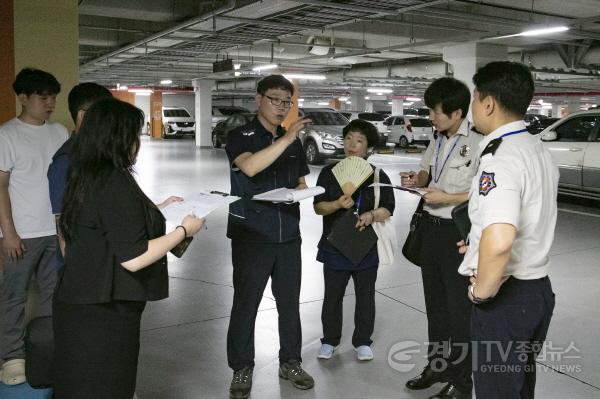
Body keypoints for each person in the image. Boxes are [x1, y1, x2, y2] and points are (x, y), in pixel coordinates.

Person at [52, 98, 205, 399]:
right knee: (107, 386)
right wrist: (184, 230)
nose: (138, 142)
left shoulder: (86, 174)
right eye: (134, 135)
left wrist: (158, 208)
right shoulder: (113, 182)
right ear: (118, 137)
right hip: (104, 311)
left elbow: (106, 225)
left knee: (80, 384)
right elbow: (134, 257)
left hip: (80, 301)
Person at [458, 61, 558, 399]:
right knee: (518, 388)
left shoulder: (501, 157)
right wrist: (475, 247)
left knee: (496, 391)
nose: (473, 108)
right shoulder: (538, 149)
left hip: (506, 299)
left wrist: (481, 293)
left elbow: (500, 242)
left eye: (474, 99)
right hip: (538, 291)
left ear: (488, 103)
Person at [225, 74, 314, 399]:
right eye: (275, 99)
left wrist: (302, 193)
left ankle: (290, 361)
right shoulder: (239, 135)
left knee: (289, 304)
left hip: (288, 233)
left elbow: (302, 183)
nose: (281, 106)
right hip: (252, 234)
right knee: (246, 304)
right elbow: (249, 168)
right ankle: (241, 367)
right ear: (258, 99)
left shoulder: (293, 142)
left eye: (286, 101)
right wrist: (287, 139)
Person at [400, 77, 482, 399]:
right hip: (430, 232)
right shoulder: (437, 139)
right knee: (435, 308)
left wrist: (447, 198)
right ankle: (437, 367)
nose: (431, 117)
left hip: (457, 234)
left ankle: (461, 383)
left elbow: (480, 192)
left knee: (459, 312)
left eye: (435, 111)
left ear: (457, 111)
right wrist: (416, 178)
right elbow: (427, 173)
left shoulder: (478, 143)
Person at [0, 68, 68, 385]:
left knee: (53, 296)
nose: (50, 103)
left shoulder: (59, 133)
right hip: (21, 234)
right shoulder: (7, 134)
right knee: (14, 296)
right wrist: (8, 232)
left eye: (53, 97)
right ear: (24, 98)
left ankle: (47, 351)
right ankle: (12, 357)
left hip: (54, 230)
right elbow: (0, 187)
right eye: (43, 97)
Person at [313, 119, 394, 362]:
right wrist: (337, 204)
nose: (352, 145)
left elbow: (388, 208)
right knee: (332, 297)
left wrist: (371, 215)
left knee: (365, 296)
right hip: (335, 244)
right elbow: (318, 207)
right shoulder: (329, 173)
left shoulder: (378, 175)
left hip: (366, 246)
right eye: (348, 138)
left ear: (369, 147)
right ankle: (329, 341)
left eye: (359, 140)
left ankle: (362, 341)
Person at [47, 82, 112, 263]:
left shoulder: (102, 153)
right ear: (82, 115)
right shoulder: (66, 161)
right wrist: (76, 274)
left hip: (105, 255)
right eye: (103, 114)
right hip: (83, 267)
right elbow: (63, 226)